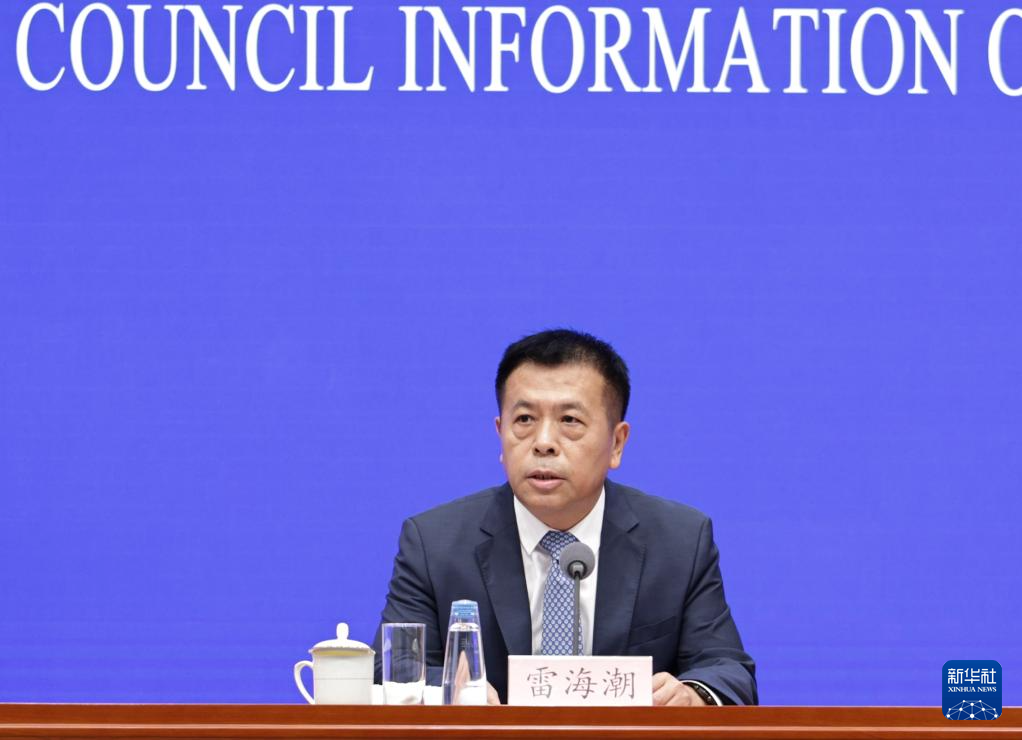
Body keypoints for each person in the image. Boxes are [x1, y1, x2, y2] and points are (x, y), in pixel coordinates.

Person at [374, 329, 757, 705]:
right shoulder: (433, 543)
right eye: (524, 419)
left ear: (617, 443)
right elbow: (393, 669)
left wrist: (691, 695)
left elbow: (727, 670)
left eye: (570, 420)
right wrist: (451, 691)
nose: (543, 442)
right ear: (501, 434)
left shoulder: (679, 541)